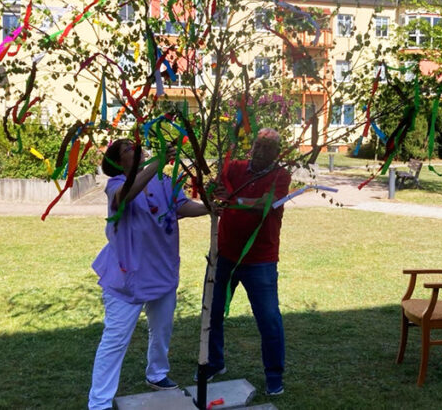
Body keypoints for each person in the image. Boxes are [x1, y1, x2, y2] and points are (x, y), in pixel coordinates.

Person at [87, 139, 208, 410]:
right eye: (128, 149)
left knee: (162, 329)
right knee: (116, 340)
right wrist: (157, 162)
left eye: (136, 145)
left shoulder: (164, 180)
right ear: (117, 161)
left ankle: (157, 373)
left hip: (162, 272)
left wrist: (210, 208)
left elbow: (182, 207)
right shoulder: (116, 184)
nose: (136, 149)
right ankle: (99, 403)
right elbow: (125, 196)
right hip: (126, 277)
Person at [201, 128, 291, 396]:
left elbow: (264, 204)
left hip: (260, 260)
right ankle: (215, 363)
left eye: (269, 147)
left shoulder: (281, 175)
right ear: (251, 146)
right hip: (224, 254)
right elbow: (213, 190)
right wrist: (212, 190)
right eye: (258, 145)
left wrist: (232, 199)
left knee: (268, 318)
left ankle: (274, 375)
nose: (261, 151)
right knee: (212, 311)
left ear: (277, 152)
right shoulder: (235, 167)